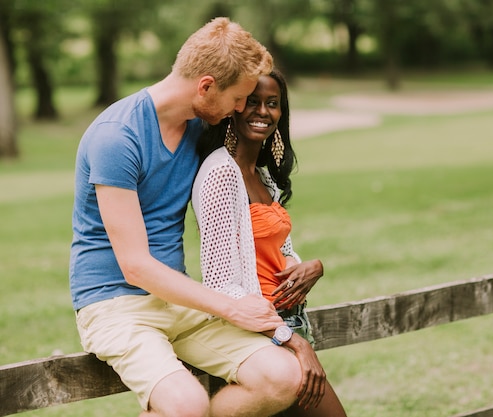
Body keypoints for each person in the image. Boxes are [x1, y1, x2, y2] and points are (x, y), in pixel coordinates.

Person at [70, 18, 309, 417]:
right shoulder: (117, 137)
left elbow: (250, 181)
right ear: (206, 86)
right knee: (186, 404)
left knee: (283, 377)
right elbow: (136, 266)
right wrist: (230, 307)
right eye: (238, 98)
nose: (240, 109)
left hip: (179, 300)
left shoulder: (200, 126)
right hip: (114, 305)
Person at [192, 69, 347, 417]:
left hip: (291, 321)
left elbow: (282, 250)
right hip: (261, 335)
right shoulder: (220, 174)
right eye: (251, 101)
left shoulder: (263, 174)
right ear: (233, 107)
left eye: (272, 103)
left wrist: (312, 267)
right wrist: (289, 341)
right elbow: (219, 284)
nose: (262, 111)